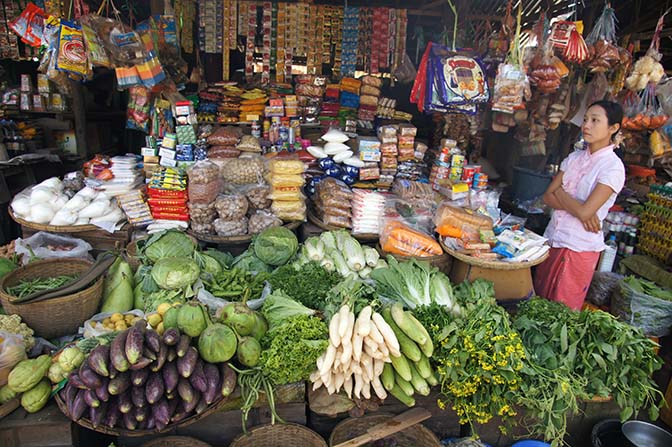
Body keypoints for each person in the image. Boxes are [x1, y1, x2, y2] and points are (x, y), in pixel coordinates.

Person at [534, 100, 626, 310]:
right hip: (553, 239)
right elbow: (548, 197)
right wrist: (580, 210)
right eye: (585, 119)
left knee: (561, 313)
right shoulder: (574, 158)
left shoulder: (612, 167)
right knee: (537, 303)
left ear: (613, 128)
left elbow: (583, 210)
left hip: (579, 247)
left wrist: (562, 194)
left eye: (595, 121)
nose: (586, 125)